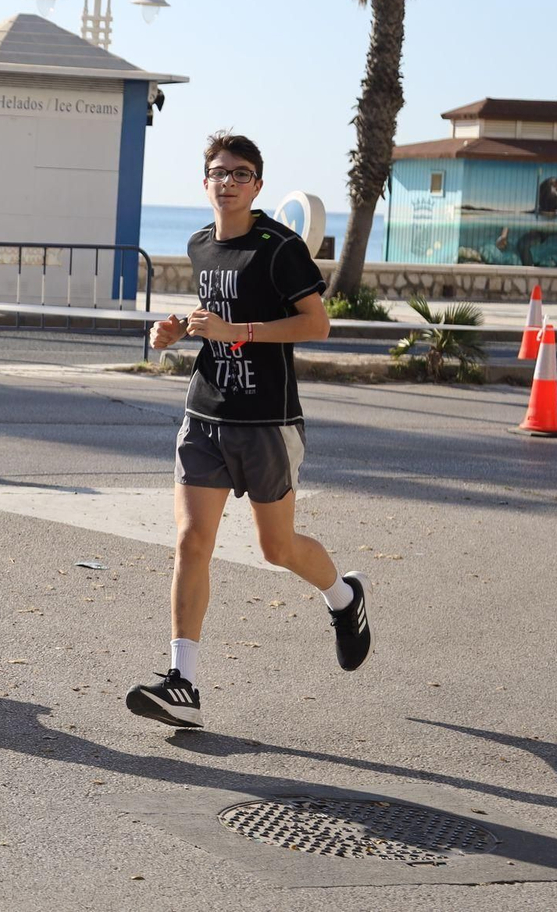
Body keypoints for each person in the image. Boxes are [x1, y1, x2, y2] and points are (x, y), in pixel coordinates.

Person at [126, 131, 372, 729]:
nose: (229, 182)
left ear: (257, 185)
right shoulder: (200, 244)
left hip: (267, 420)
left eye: (241, 173)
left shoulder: (279, 247)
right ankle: (183, 682)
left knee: (276, 548)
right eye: (219, 172)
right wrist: (175, 330)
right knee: (191, 542)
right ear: (204, 181)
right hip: (205, 415)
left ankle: (345, 598)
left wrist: (243, 333)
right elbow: (213, 316)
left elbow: (317, 326)